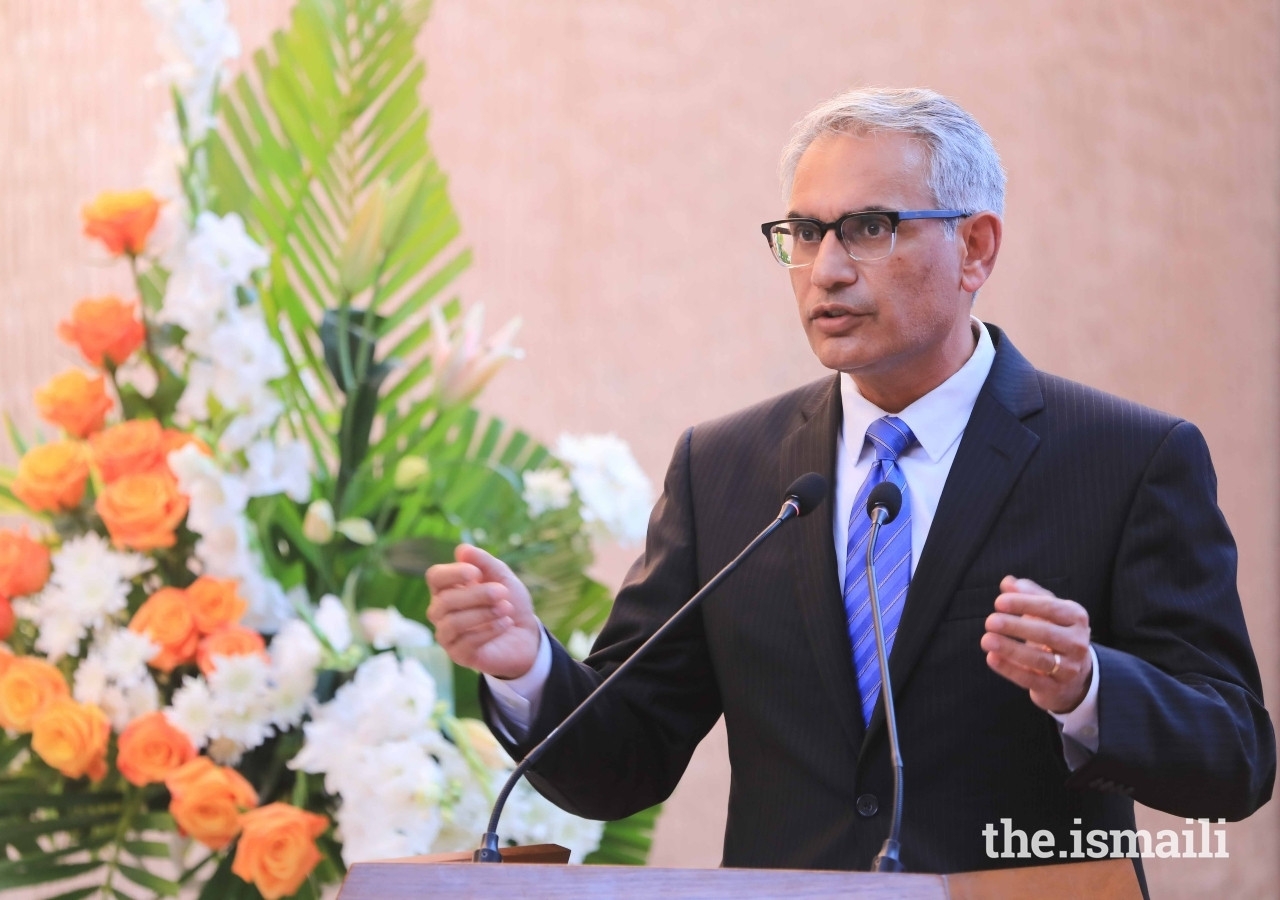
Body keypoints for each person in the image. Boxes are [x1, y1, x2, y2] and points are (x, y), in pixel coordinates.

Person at [425, 87, 1275, 876]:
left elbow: (1236, 760)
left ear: (974, 247)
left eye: (869, 228)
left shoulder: (1125, 459)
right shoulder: (724, 469)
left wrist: (1090, 688)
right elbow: (624, 763)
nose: (825, 269)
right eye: (802, 233)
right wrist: (528, 667)